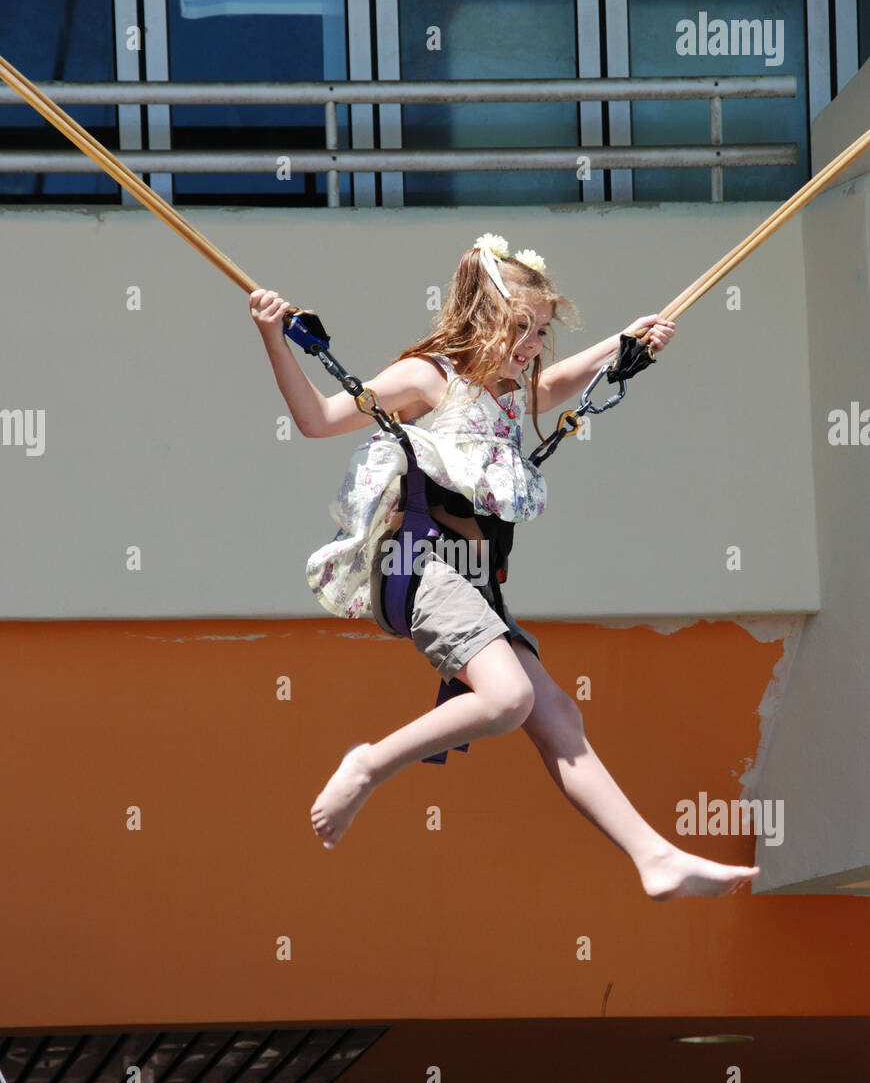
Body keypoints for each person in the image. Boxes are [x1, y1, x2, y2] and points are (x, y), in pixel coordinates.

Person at [249, 235, 760, 899]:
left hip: (473, 579)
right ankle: (367, 765)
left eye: (540, 330)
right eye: (519, 326)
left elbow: (556, 381)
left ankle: (653, 857)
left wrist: (622, 343)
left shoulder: (514, 391)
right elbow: (317, 420)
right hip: (421, 562)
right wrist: (273, 336)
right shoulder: (427, 377)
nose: (530, 342)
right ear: (478, 313)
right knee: (509, 698)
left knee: (557, 717)